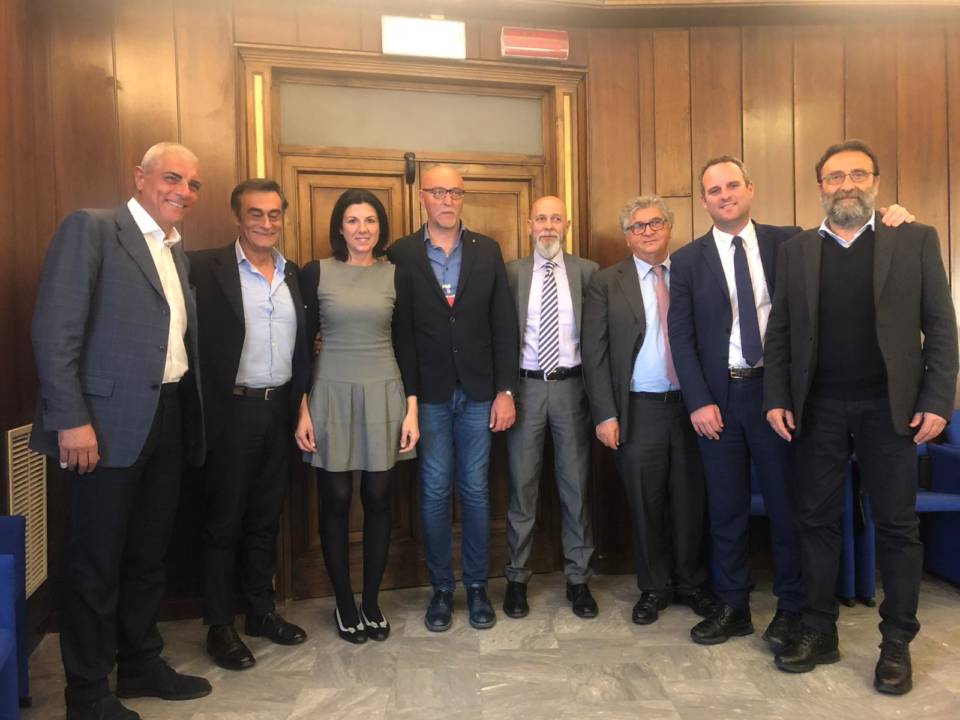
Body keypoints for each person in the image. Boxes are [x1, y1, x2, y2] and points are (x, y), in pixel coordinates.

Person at [670, 156, 916, 649]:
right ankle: (733, 605)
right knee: (726, 510)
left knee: (790, 509)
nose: (725, 195)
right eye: (714, 190)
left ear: (750, 188)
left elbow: (850, 225)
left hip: (778, 395)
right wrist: (697, 400)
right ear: (703, 200)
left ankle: (792, 607)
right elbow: (682, 335)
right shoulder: (688, 259)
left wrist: (896, 216)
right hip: (718, 400)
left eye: (732, 185)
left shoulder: (791, 242)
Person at [763, 139, 958, 694]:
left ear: (875, 182)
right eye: (834, 176)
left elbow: (941, 327)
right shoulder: (797, 251)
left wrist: (936, 401)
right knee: (816, 521)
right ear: (820, 187)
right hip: (817, 409)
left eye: (857, 174)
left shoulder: (913, 239)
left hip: (891, 410)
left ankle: (896, 643)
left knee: (897, 526)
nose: (846, 184)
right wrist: (776, 396)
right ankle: (819, 630)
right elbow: (781, 332)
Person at [30, 142, 211, 720]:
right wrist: (71, 418)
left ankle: (139, 663)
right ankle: (86, 693)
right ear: (140, 177)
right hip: (102, 426)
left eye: (193, 184)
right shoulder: (93, 229)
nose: (183, 191)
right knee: (95, 561)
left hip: (169, 416)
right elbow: (55, 330)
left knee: (147, 555)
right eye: (172, 178)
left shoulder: (176, 253)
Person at [387, 165, 519, 632]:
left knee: (477, 489)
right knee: (435, 490)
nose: (447, 200)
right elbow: (397, 329)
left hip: (480, 391)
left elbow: (504, 324)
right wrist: (407, 398)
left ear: (463, 199)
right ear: (422, 196)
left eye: (456, 193)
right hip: (429, 394)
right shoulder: (401, 252)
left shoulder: (487, 249)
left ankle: (478, 586)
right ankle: (442, 589)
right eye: (439, 191)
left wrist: (506, 390)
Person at [190, 179, 310, 670]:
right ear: (237, 218)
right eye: (255, 213)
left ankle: (261, 611)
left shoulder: (292, 273)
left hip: (280, 409)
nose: (266, 222)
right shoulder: (204, 267)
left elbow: (305, 345)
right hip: (231, 411)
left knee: (265, 517)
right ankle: (220, 625)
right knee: (224, 520)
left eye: (274, 213)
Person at [582, 196, 716, 628]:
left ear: (669, 227)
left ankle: (692, 583)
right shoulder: (606, 282)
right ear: (627, 236)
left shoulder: (692, 273)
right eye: (637, 226)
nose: (647, 231)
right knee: (646, 502)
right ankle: (654, 587)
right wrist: (605, 414)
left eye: (655, 222)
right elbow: (594, 355)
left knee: (691, 500)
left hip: (692, 408)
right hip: (638, 409)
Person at [295, 189, 419, 644]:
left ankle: (370, 601)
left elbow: (408, 344)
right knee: (335, 498)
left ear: (380, 228)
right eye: (352, 220)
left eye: (370, 220)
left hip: (384, 392)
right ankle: (344, 602)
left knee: (379, 498)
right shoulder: (315, 273)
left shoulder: (396, 275)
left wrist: (412, 410)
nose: (362, 229)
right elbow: (301, 345)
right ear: (339, 228)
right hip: (329, 394)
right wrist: (301, 408)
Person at [503, 195, 599, 619]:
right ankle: (516, 579)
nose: (547, 226)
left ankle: (579, 579)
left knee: (575, 487)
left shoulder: (588, 272)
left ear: (567, 225)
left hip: (571, 390)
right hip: (524, 390)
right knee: (522, 488)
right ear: (529, 225)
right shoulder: (511, 273)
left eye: (555, 219)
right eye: (540, 218)